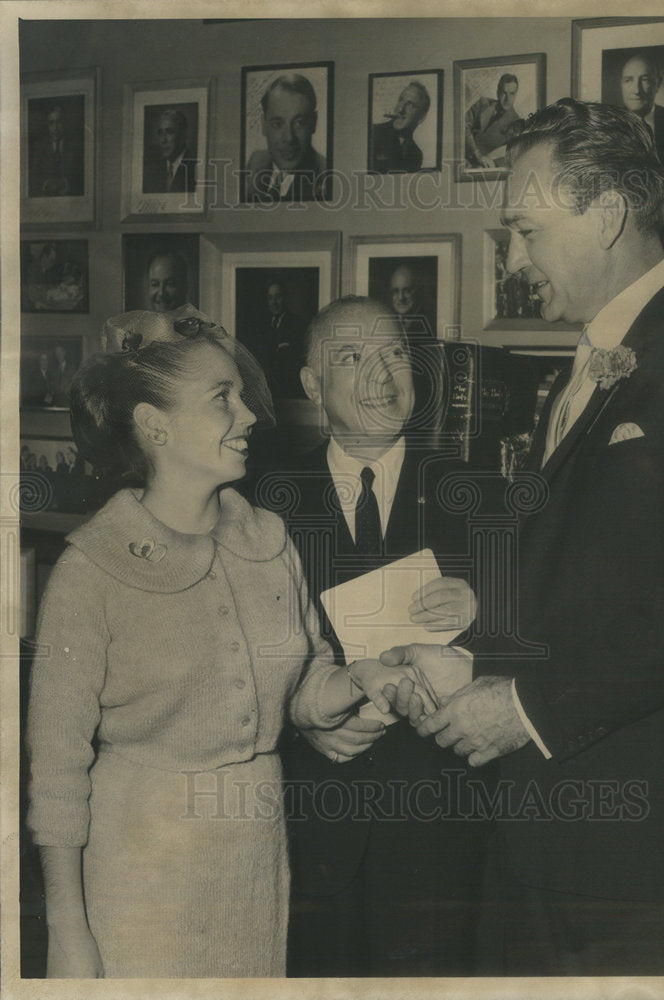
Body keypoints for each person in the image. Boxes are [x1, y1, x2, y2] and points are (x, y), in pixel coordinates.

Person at [383, 98, 664, 976]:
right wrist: (477, 658)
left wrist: (522, 708)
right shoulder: (593, 357)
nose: (512, 259)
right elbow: (580, 572)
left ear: (604, 216)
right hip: (545, 832)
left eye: (524, 230)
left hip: (644, 853)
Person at [25, 308, 430, 978]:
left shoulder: (268, 539)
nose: (248, 417)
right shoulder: (91, 569)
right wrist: (67, 926)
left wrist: (364, 678)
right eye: (223, 400)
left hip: (256, 861)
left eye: (241, 397)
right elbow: (57, 775)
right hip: (140, 870)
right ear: (155, 426)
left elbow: (304, 686)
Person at [260, 297, 500, 977]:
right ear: (311, 386)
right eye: (351, 357)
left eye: (394, 353)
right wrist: (301, 720)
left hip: (440, 831)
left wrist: (482, 614)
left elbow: (540, 644)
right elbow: (231, 661)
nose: (380, 375)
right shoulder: (261, 502)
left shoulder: (478, 492)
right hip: (311, 827)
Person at [245, 74, 329, 202]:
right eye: (277, 124)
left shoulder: (326, 177)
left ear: (314, 123)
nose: (289, 138)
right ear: (263, 125)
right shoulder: (256, 162)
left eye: (299, 123)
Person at [370, 81, 429, 173]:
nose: (400, 109)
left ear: (421, 117)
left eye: (410, 104)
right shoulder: (373, 133)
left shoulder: (416, 154)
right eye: (401, 100)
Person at [464, 73, 521, 169]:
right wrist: (477, 154)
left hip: (481, 167)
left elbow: (509, 154)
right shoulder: (482, 103)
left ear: (516, 94)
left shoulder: (516, 123)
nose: (507, 99)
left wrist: (492, 163)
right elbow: (462, 126)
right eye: (504, 93)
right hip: (461, 154)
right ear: (498, 92)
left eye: (512, 94)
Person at [262, 280, 307, 398]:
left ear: (285, 298)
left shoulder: (298, 324)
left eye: (278, 297)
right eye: (270, 298)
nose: (274, 302)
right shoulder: (261, 325)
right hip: (268, 390)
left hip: (288, 391)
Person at [620, 52, 664, 152]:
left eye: (645, 80)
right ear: (621, 84)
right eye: (628, 80)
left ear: (658, 84)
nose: (636, 90)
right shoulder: (608, 123)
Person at [28, 103, 84, 197]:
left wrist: (66, 184)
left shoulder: (76, 146)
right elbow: (33, 178)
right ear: (47, 125)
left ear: (65, 122)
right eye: (51, 123)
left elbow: (81, 178)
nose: (55, 128)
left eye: (59, 122)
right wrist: (46, 185)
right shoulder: (39, 147)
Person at [142, 108, 196, 194]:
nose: (163, 140)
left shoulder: (195, 168)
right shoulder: (152, 171)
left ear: (182, 135)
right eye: (160, 133)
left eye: (169, 132)